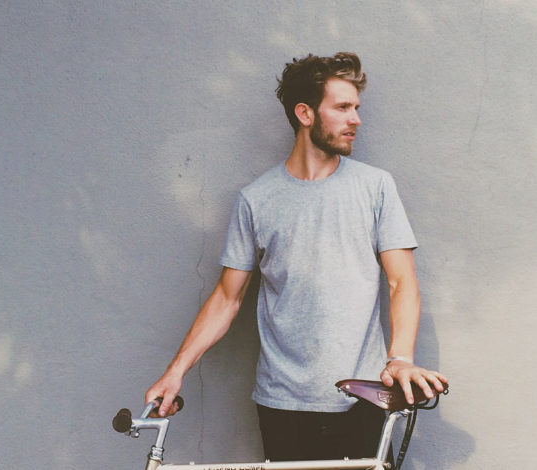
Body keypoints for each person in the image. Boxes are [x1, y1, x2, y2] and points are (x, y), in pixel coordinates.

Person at [144, 52, 448, 461]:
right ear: (305, 114)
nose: (356, 119)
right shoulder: (256, 200)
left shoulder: (375, 186)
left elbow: (401, 283)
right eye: (342, 107)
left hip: (362, 399)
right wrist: (176, 370)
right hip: (282, 403)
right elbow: (227, 298)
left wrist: (401, 359)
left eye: (356, 108)